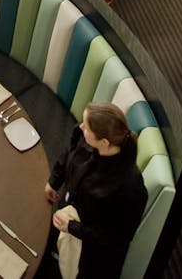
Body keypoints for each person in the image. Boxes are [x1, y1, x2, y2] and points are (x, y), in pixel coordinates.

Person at [40, 102, 148, 279]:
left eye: (86, 127)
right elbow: (69, 153)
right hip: (66, 222)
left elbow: (114, 239)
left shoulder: (130, 188)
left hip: (89, 256)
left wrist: (72, 227)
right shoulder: (85, 136)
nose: (81, 127)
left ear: (104, 142)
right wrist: (54, 181)